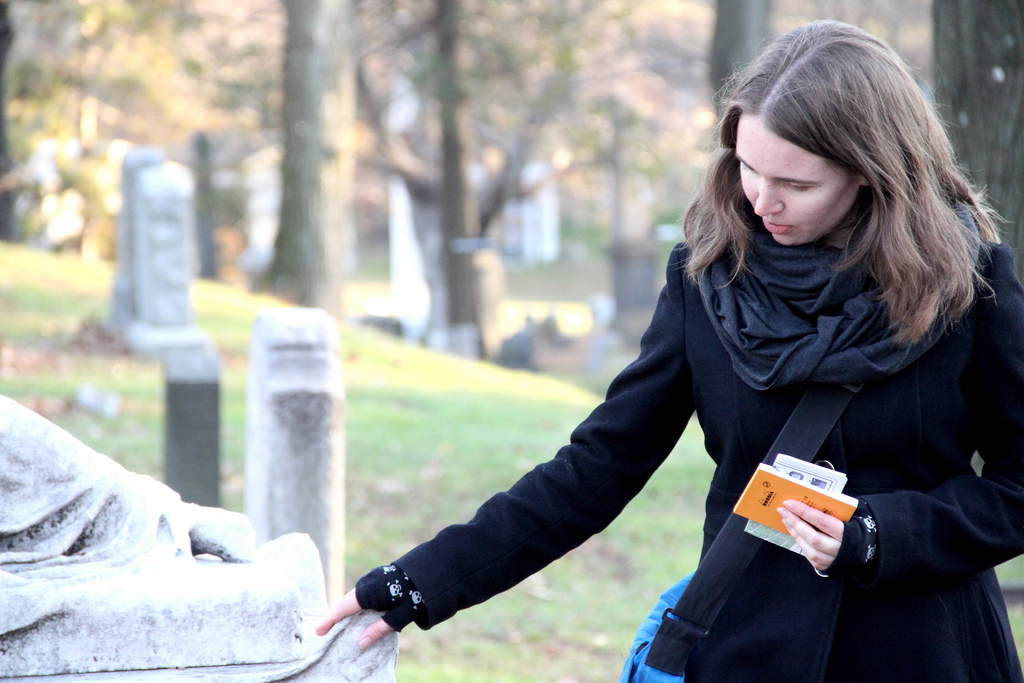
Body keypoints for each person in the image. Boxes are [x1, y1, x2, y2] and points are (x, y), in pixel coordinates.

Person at [317, 20, 1024, 682]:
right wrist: (422, 577)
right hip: (746, 649)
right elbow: (598, 465)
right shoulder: (707, 279)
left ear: (870, 172)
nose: (760, 201)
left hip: (929, 651)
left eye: (795, 183)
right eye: (748, 168)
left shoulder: (969, 283)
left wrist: (880, 532)